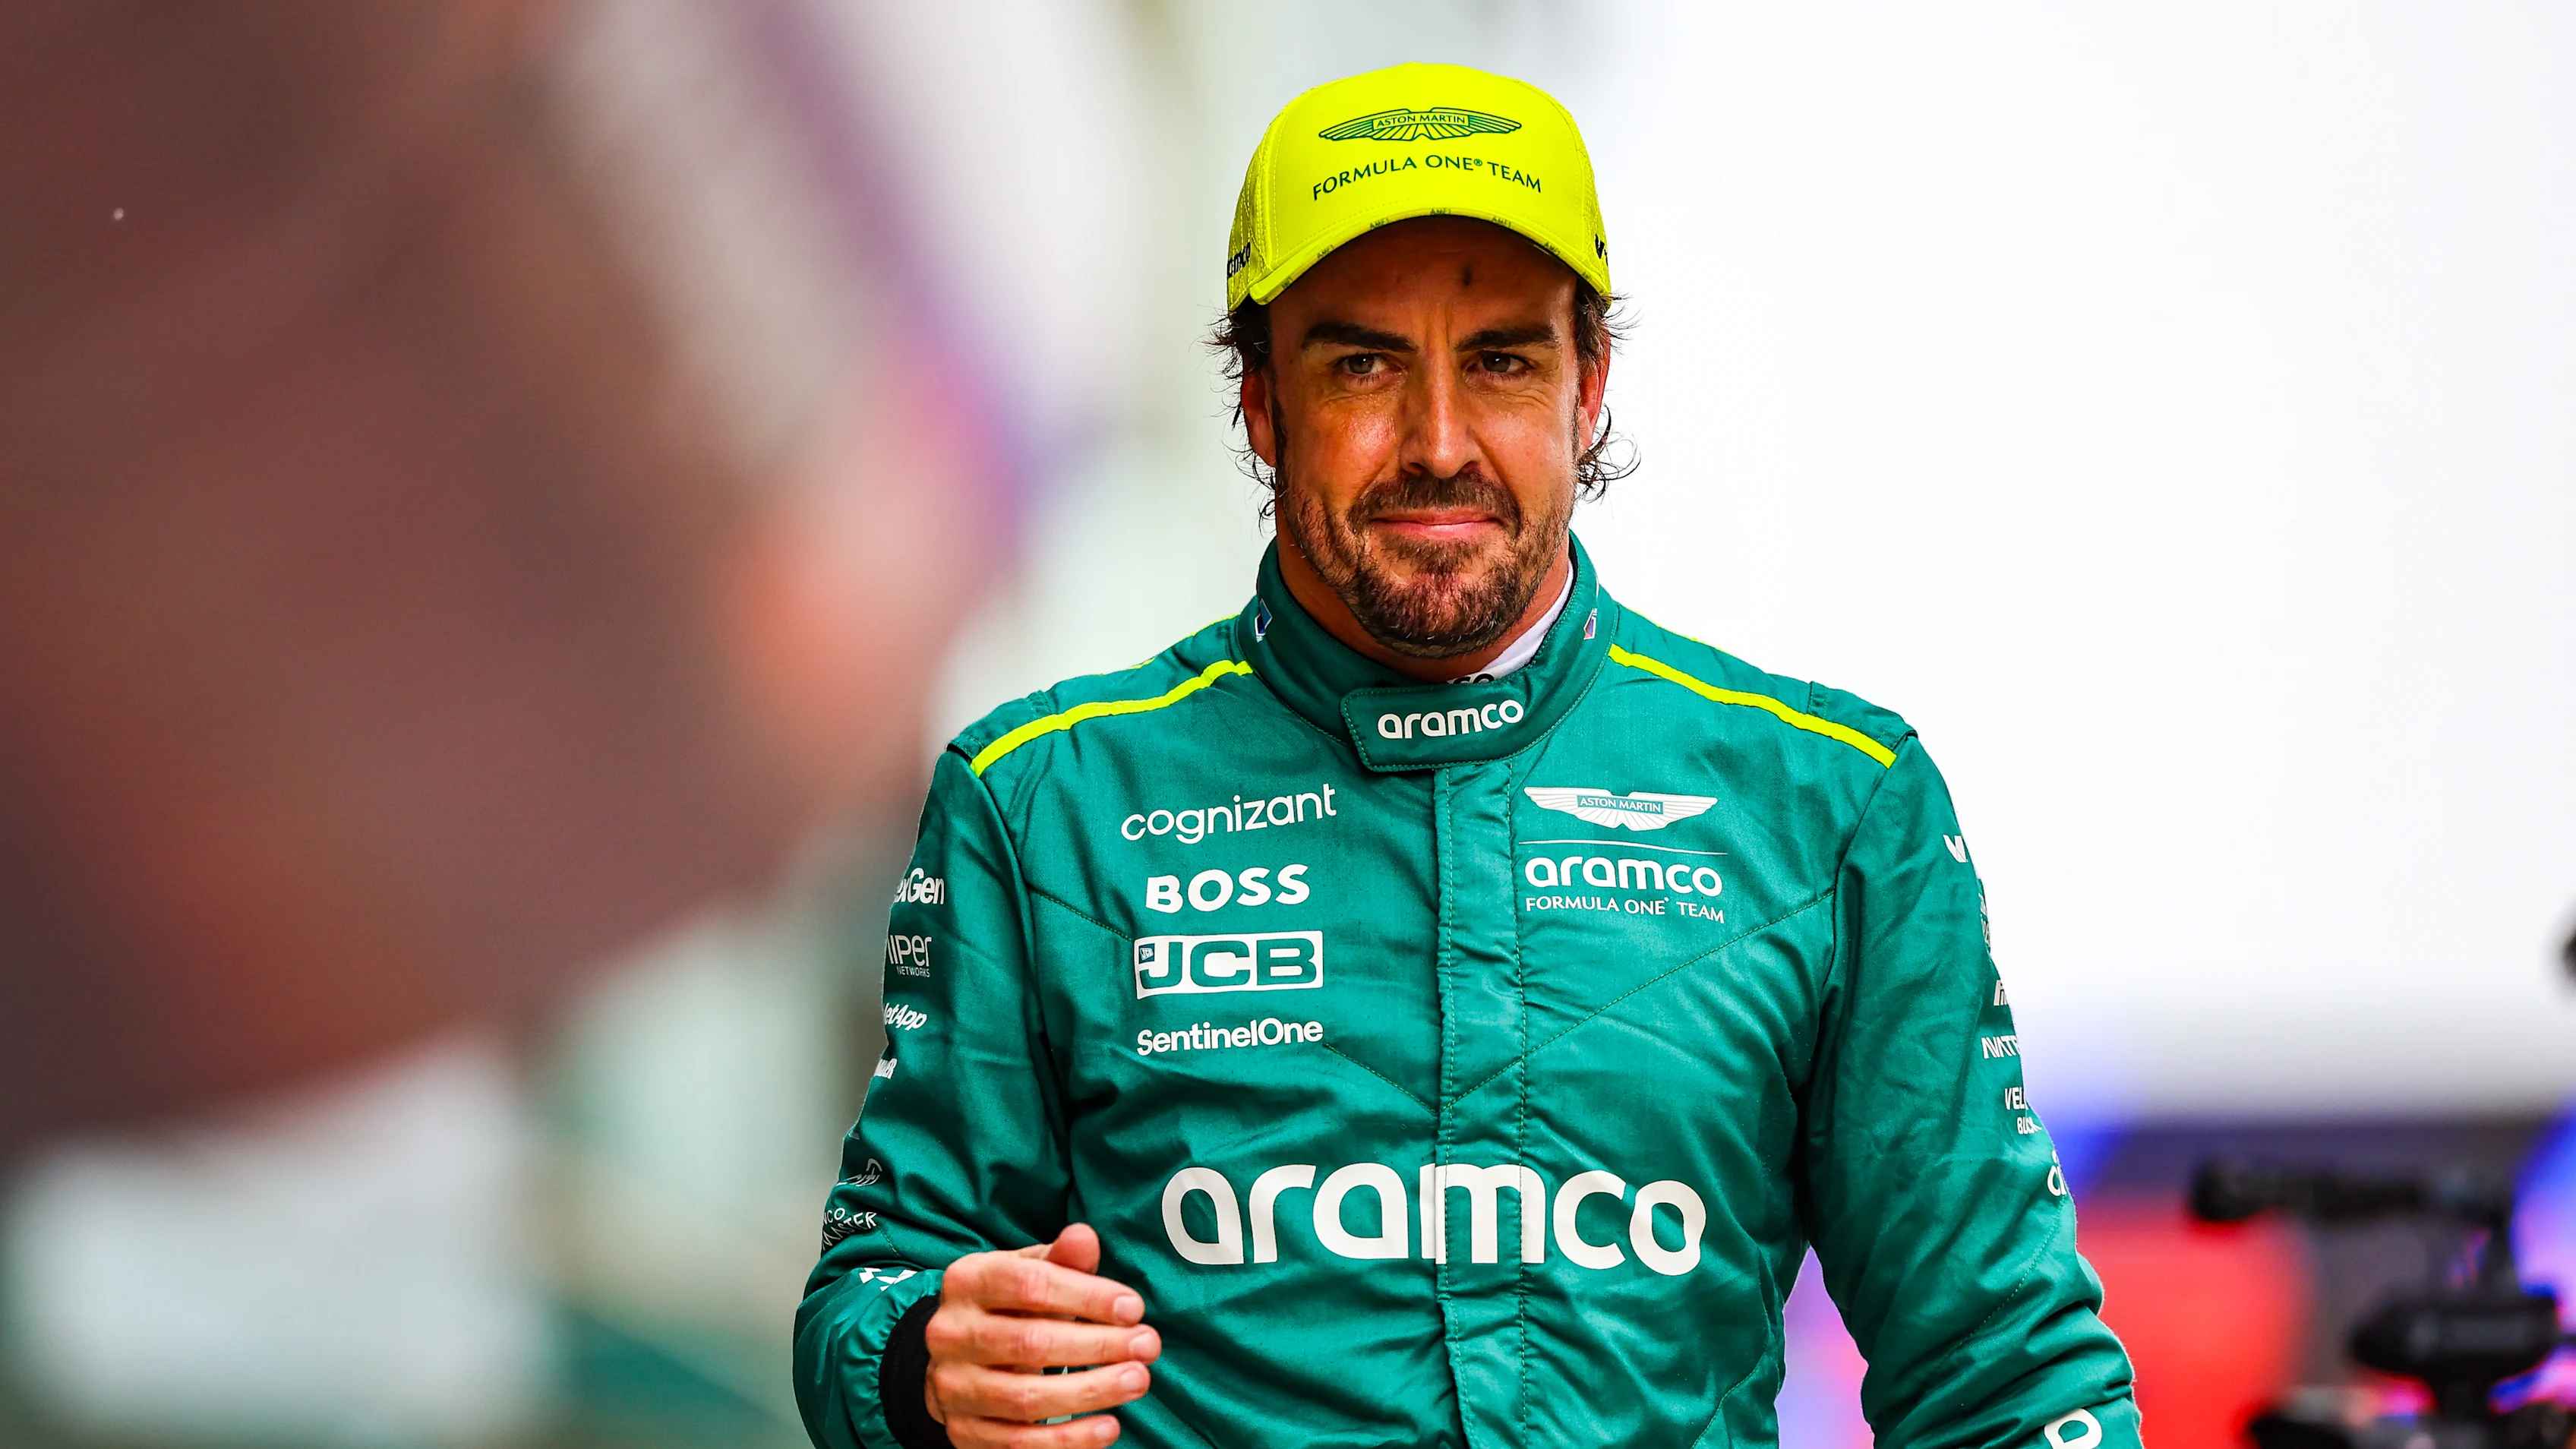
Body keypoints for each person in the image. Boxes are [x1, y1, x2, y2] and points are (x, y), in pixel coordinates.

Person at [794, 62, 2139, 1449]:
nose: (1438, 445)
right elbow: (875, 1288)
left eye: (1502, 360)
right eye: (1362, 362)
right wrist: (922, 1364)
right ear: (1259, 399)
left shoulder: (1835, 806)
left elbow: (2007, 1371)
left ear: (1589, 386)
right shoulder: (1044, 803)